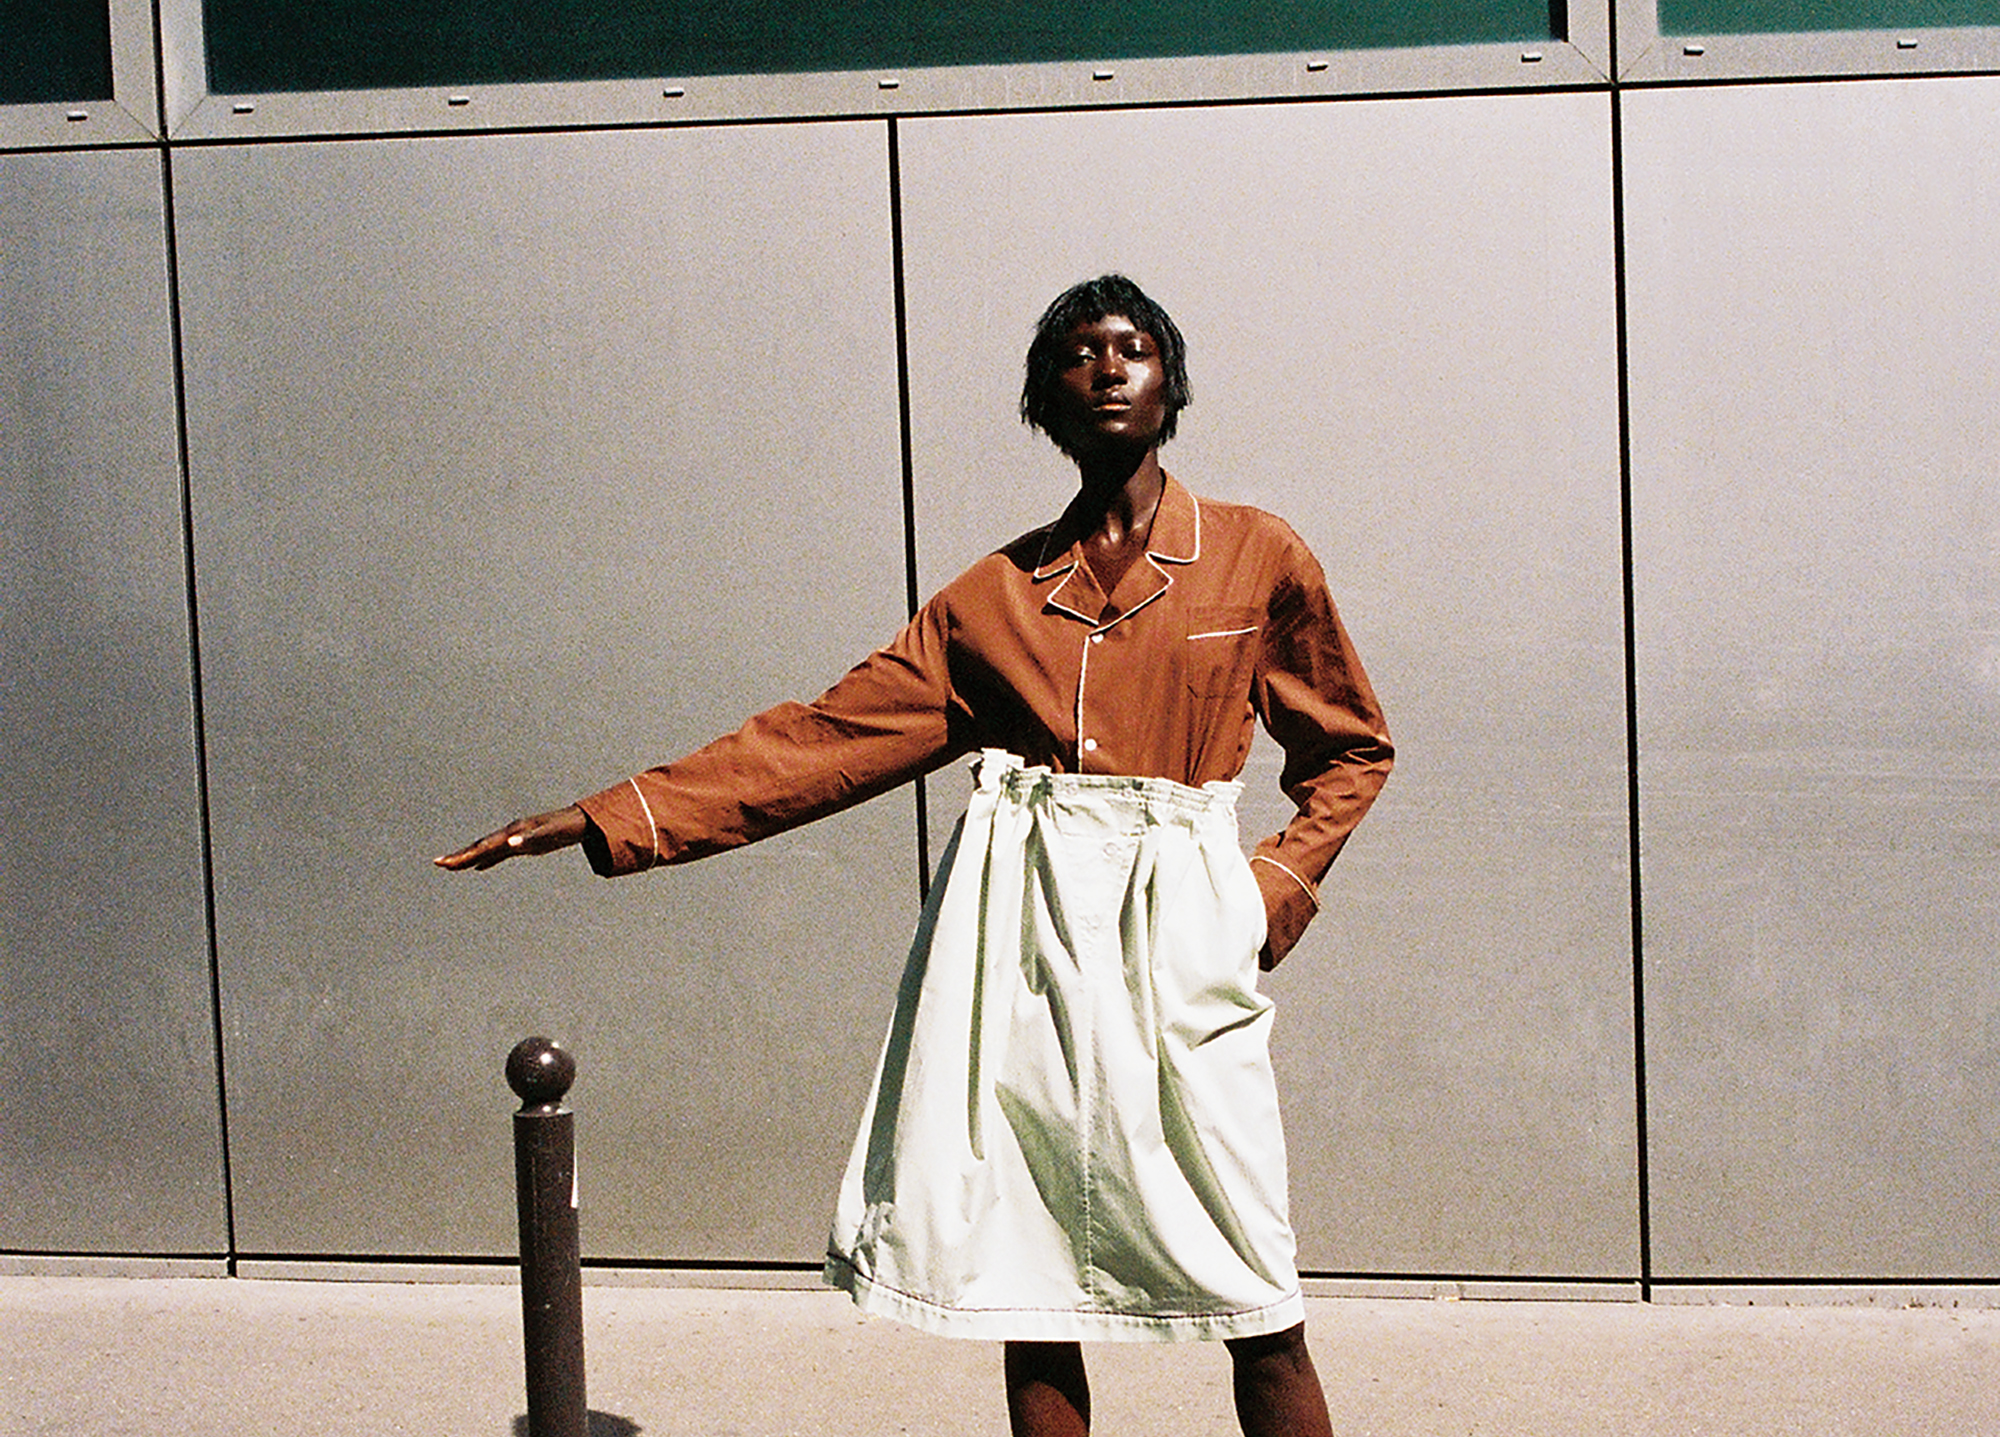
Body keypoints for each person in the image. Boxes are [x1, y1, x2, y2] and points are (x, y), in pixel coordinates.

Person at [438, 274, 1392, 1437]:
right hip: (1021, 941)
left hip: (1177, 929)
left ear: (1170, 383)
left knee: (1253, 1288)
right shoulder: (993, 599)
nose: (1105, 368)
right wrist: (609, 814)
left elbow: (1350, 747)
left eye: (1131, 347)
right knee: (1027, 1278)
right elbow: (824, 740)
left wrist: (1261, 895)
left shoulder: (1253, 555)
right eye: (1076, 353)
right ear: (1041, 400)